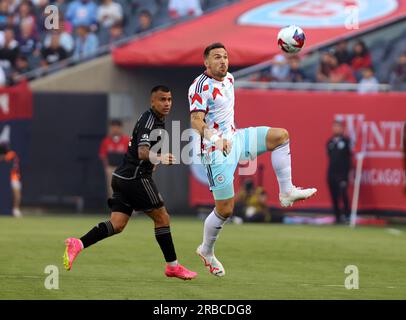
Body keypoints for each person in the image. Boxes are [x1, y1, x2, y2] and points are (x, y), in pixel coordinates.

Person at [189, 43, 317, 277]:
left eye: (225, 56)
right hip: (215, 150)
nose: (223, 61)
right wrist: (215, 138)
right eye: (217, 57)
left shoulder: (229, 78)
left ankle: (287, 192)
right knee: (225, 209)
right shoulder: (199, 86)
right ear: (206, 62)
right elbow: (196, 122)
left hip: (237, 138)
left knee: (281, 136)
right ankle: (206, 250)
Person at [64, 85, 197, 280]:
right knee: (162, 218)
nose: (167, 103)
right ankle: (173, 266)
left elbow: (145, 152)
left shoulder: (159, 121)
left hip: (122, 177)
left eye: (169, 99)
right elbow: (143, 152)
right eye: (162, 99)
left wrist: (155, 159)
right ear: (152, 101)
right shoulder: (149, 120)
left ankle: (78, 243)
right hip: (135, 178)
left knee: (117, 224)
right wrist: (158, 158)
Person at [326, 120, 352, 224]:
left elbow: (348, 159)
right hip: (331, 173)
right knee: (334, 196)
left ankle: (347, 216)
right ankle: (337, 217)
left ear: (342, 128)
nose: (336, 129)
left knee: (343, 194)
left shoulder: (346, 142)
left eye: (338, 127)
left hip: (342, 174)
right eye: (334, 127)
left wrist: (346, 175)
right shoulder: (330, 142)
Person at [99, 119, 130, 198]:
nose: (115, 130)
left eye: (117, 127)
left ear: (121, 128)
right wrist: (107, 167)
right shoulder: (106, 141)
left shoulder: (126, 140)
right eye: (113, 127)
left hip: (124, 169)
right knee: (111, 188)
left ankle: (127, 208)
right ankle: (114, 207)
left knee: (126, 188)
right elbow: (103, 155)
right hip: (111, 168)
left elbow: (130, 155)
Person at [0, 143, 22, 217]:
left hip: (13, 176)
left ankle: (16, 209)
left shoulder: (12, 154)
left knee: (17, 192)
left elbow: (14, 165)